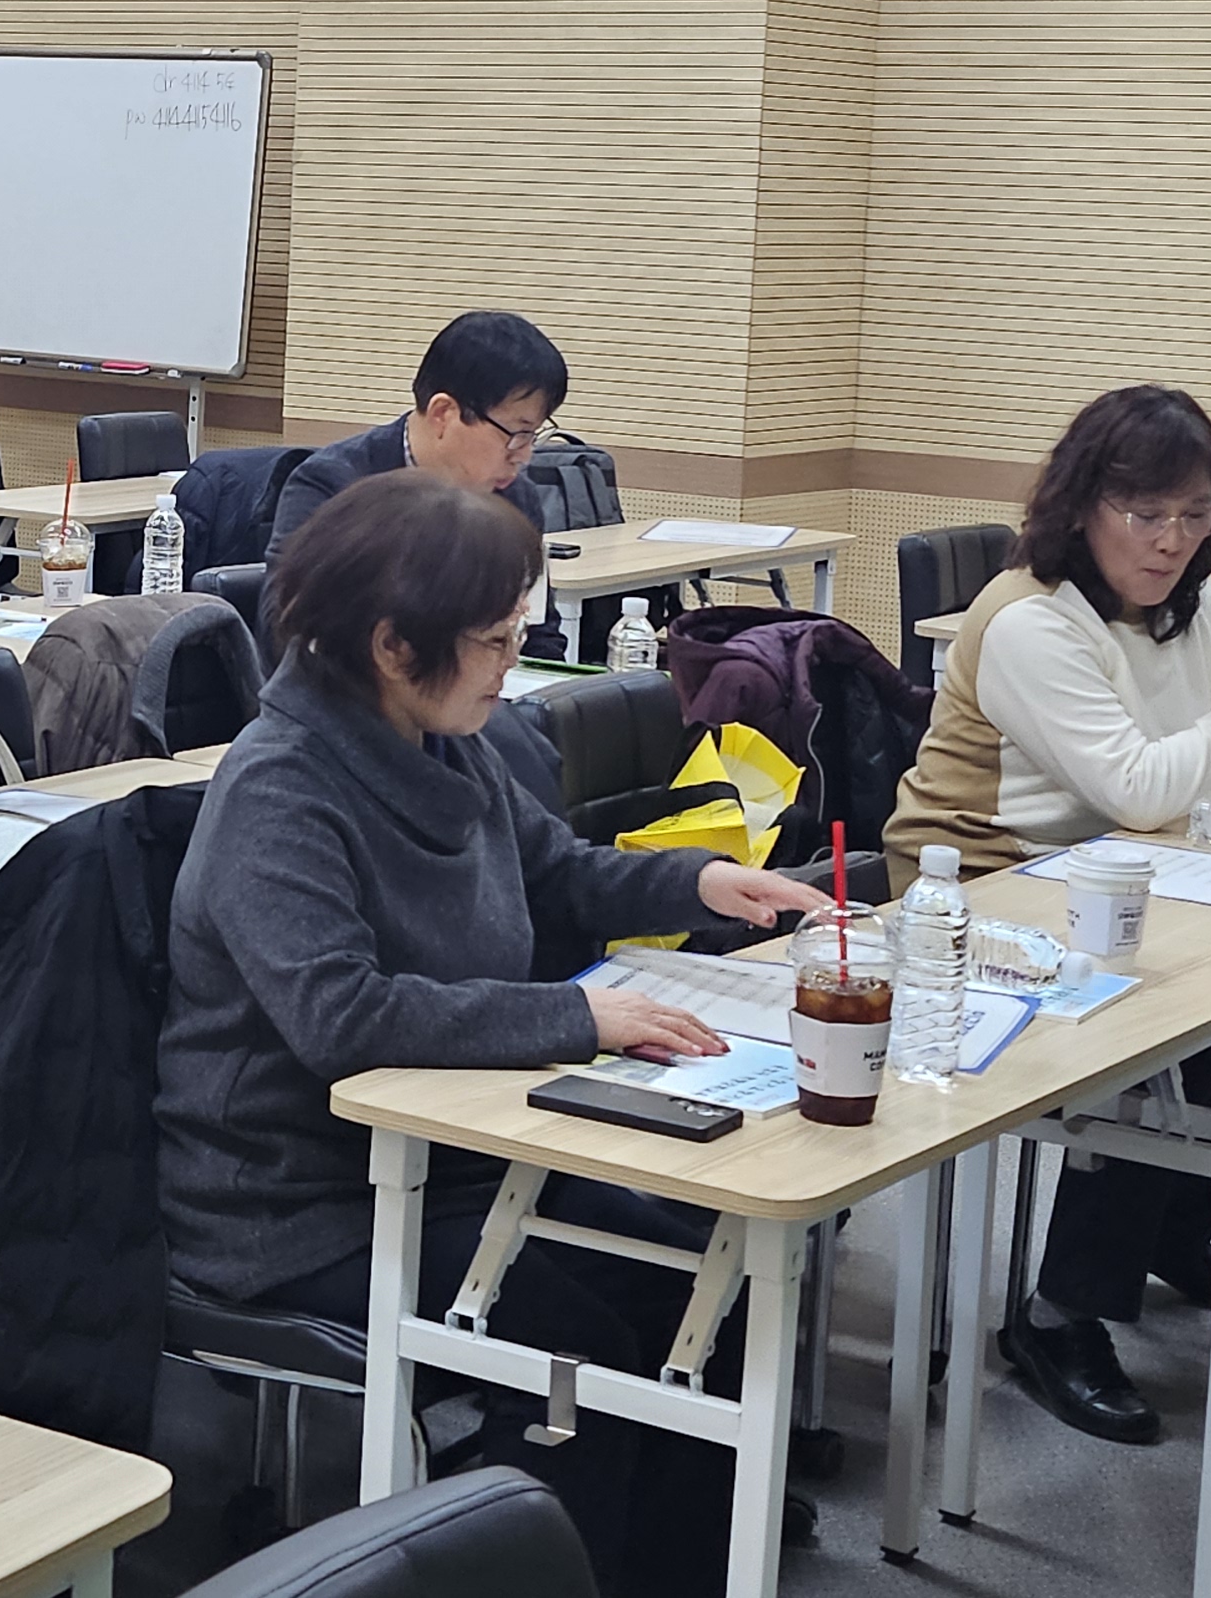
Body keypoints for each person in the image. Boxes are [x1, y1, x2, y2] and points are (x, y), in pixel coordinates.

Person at [159, 472, 828, 1591]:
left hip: (460, 1152)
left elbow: (556, 870)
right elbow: (342, 1014)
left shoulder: (445, 739)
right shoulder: (278, 787)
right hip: (297, 1200)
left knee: (709, 1281)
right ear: (391, 644)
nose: (513, 663)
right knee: (584, 1351)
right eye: (496, 640)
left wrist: (702, 881)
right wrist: (576, 1016)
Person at [882, 385, 1211, 1446]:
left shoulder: (1185, 610)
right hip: (983, 881)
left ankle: (1166, 1222)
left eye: (1195, 515)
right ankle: (1059, 1315)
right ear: (1081, 507)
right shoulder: (1029, 619)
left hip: (1112, 862)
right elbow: (1144, 788)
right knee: (1161, 1025)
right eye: (1144, 513)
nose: (1170, 540)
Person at [264, 309, 566, 563]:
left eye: (532, 435)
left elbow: (539, 614)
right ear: (443, 413)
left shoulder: (515, 499)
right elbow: (289, 614)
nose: (524, 455)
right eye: (517, 432)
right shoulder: (331, 487)